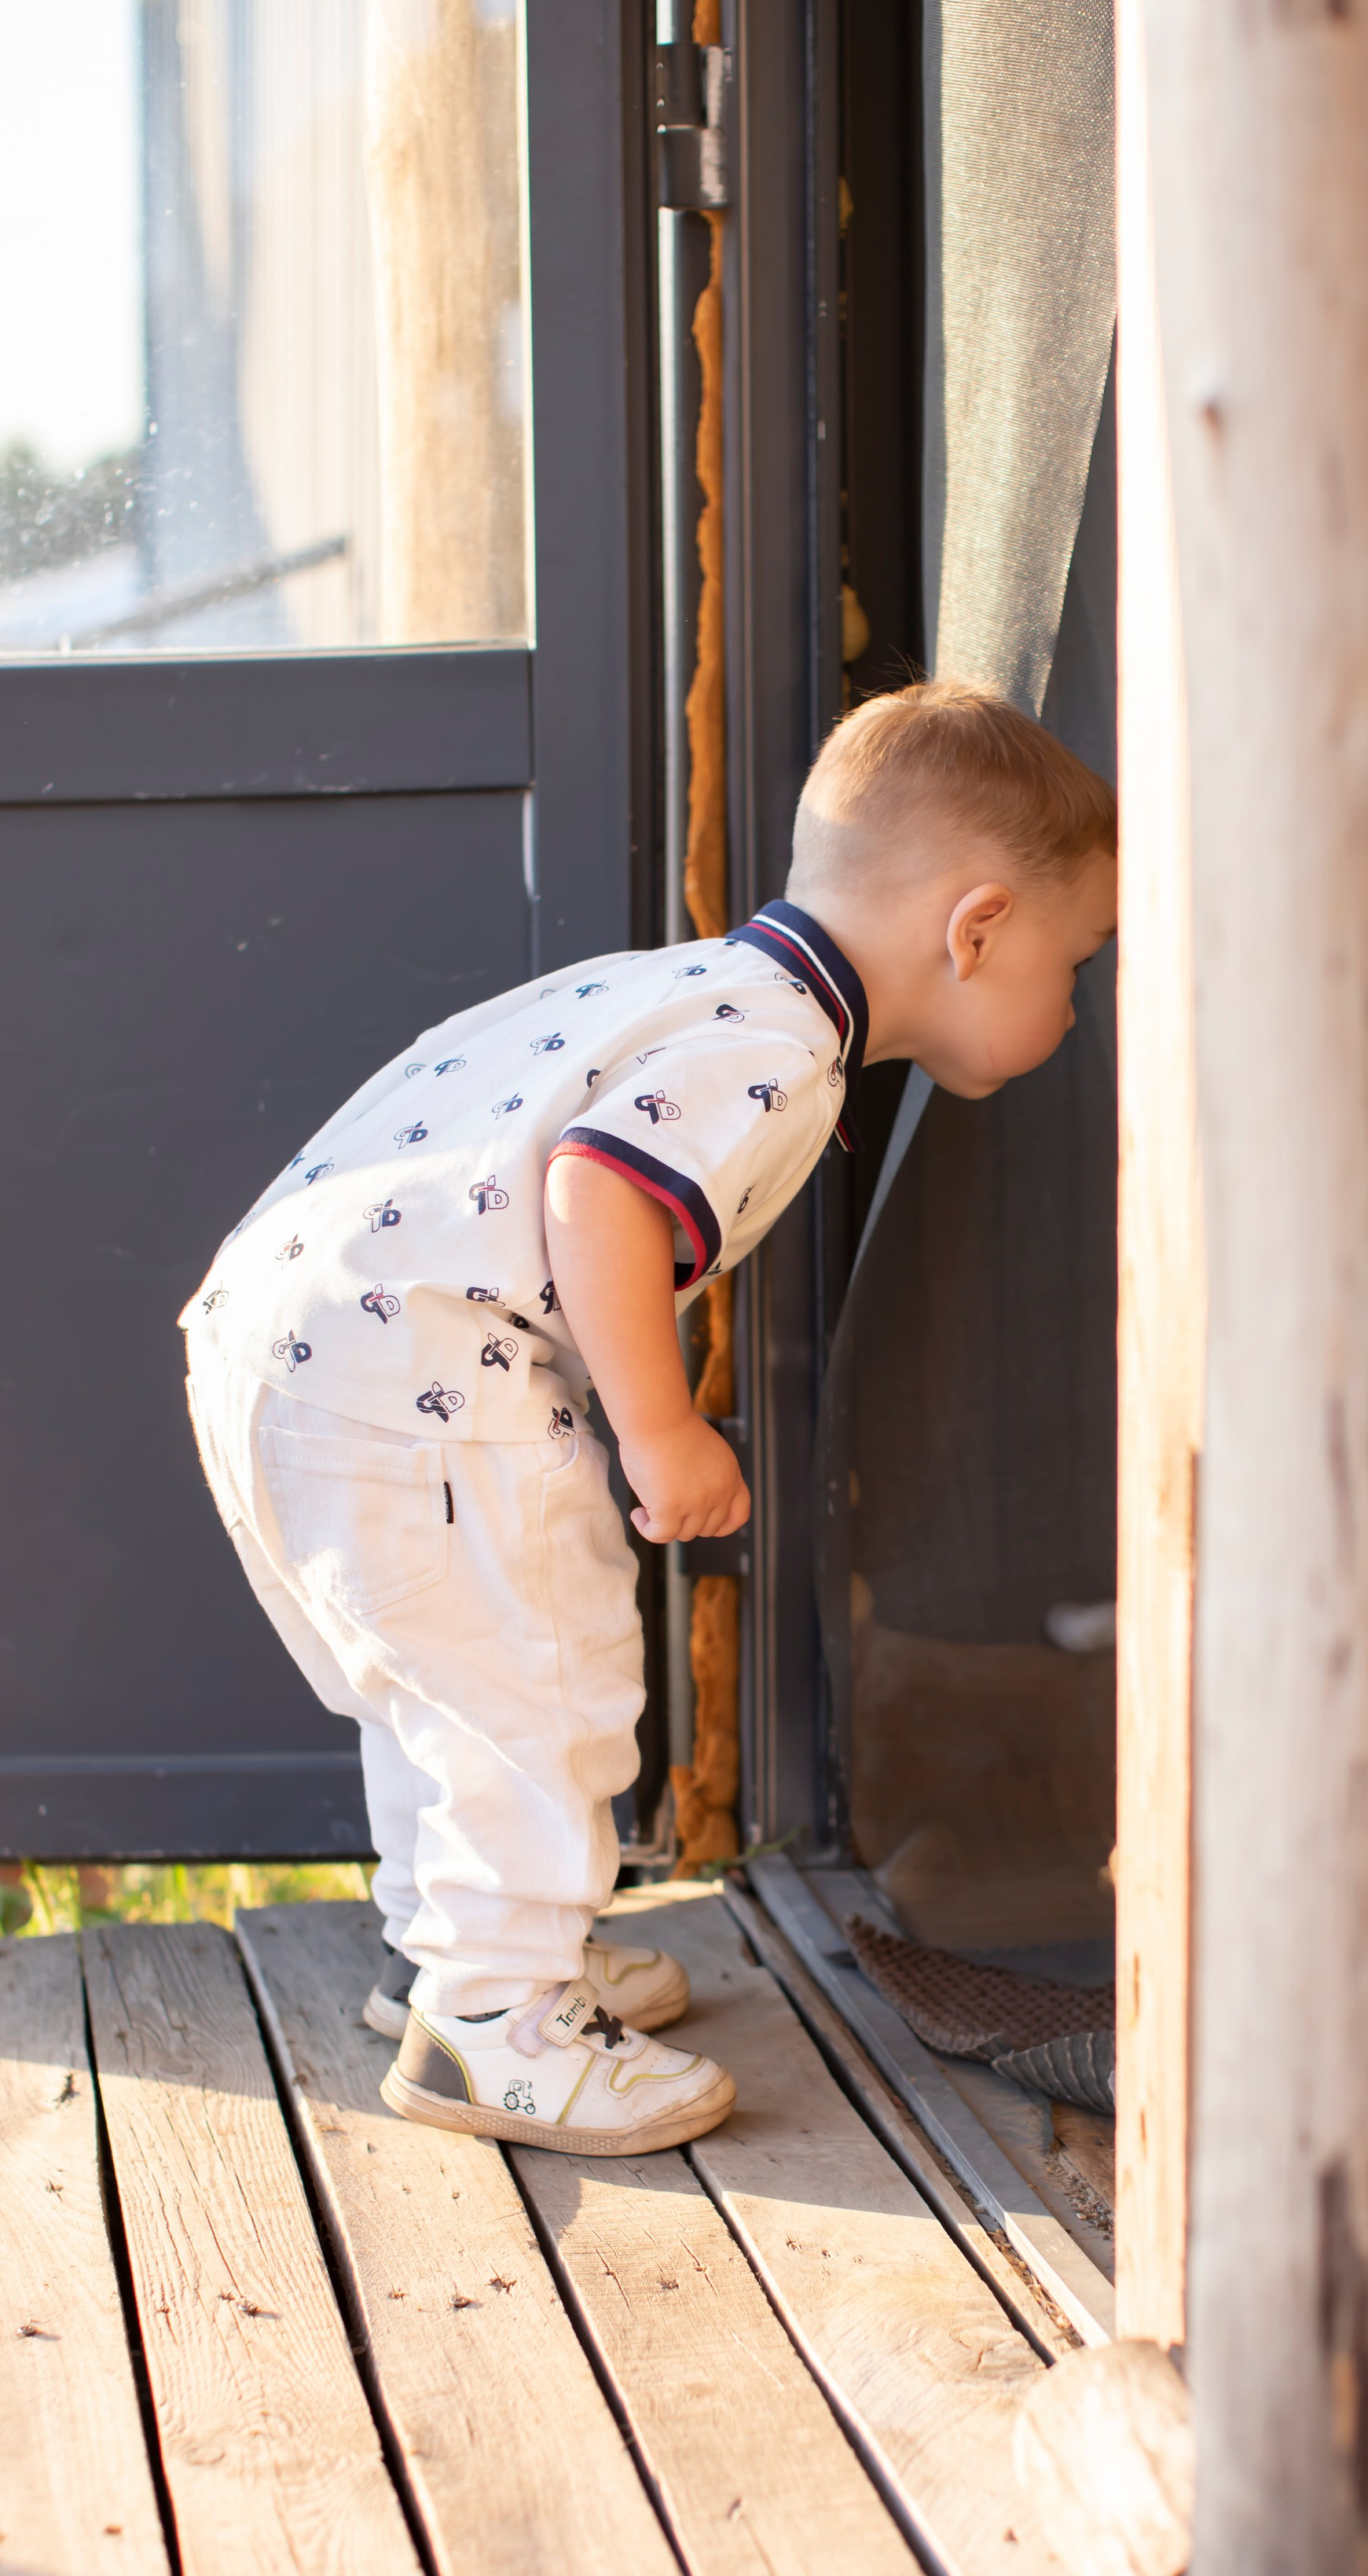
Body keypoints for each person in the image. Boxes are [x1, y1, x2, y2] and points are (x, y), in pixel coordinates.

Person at [181, 680, 1117, 2152]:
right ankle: (497, 2027)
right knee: (537, 1677)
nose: (1072, 1005)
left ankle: (468, 1956)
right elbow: (598, 1192)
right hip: (420, 1370)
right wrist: (662, 1427)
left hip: (294, 1336)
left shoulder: (691, 986)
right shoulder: (777, 1048)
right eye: (1077, 962)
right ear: (977, 927)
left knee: (453, 1677)